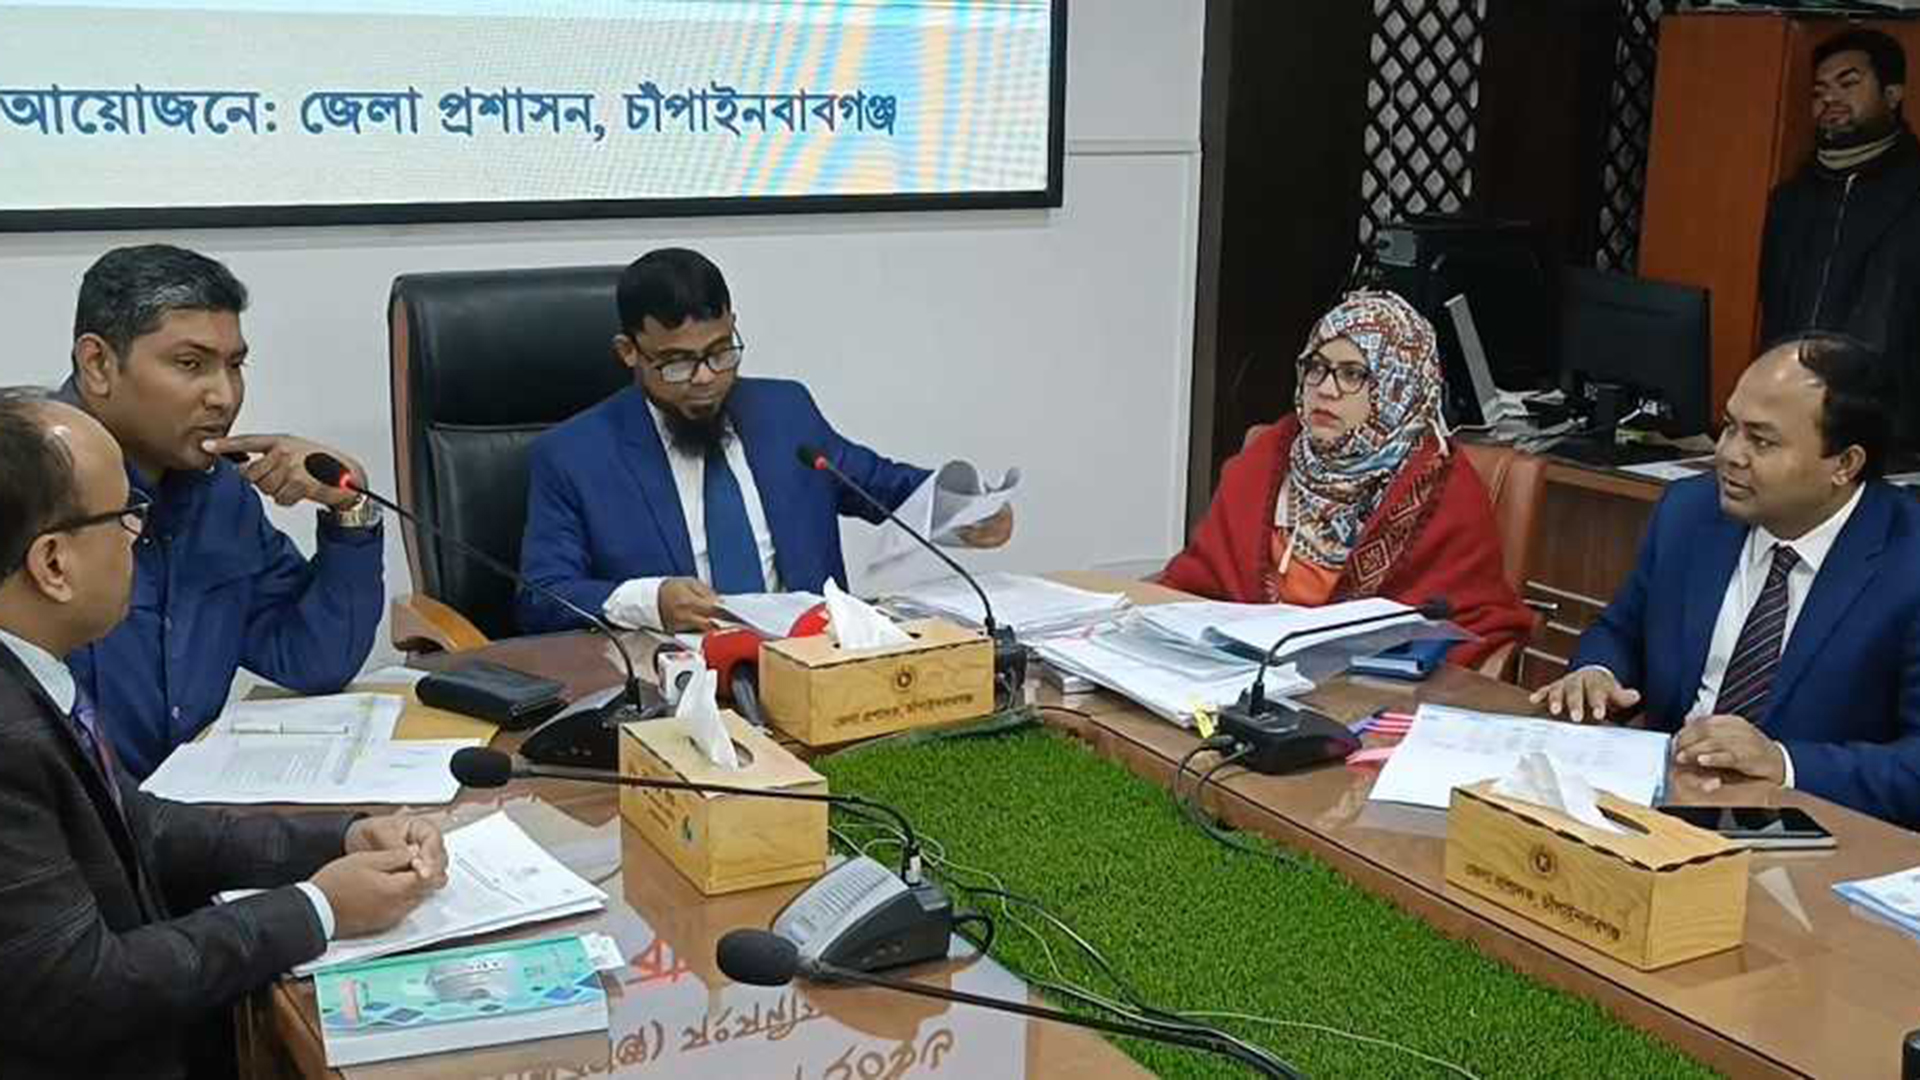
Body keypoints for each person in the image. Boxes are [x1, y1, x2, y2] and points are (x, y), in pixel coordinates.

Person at [0, 391, 446, 1079]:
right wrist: (320, 909)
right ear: (53, 564)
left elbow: (142, 828)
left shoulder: (31, 672)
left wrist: (345, 836)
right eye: (124, 516)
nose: (138, 535)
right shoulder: (8, 738)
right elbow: (83, 991)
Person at [518, 247, 1012, 634]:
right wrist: (650, 601)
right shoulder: (573, 456)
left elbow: (879, 485)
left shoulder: (784, 411)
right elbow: (541, 597)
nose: (705, 377)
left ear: (732, 325)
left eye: (720, 352)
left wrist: (964, 510)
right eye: (678, 362)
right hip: (684, 676)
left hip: (814, 658)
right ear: (629, 352)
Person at [1533, 334, 1920, 828]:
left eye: (1761, 441)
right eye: (1730, 426)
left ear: (1845, 464)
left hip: (1818, 834)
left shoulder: (1906, 563)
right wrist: (1599, 673)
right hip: (1662, 809)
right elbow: (1623, 630)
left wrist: (1783, 762)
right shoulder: (1689, 512)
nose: (1728, 454)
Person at [57, 244, 385, 778]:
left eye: (235, 365)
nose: (224, 396)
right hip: (73, 820)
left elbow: (312, 659)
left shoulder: (221, 493)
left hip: (190, 806)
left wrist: (350, 508)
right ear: (98, 364)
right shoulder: (27, 491)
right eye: (190, 364)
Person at [1159, 291, 1532, 669]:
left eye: (1353, 374)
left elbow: (1473, 627)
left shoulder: (1444, 488)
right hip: (1239, 672)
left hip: (1368, 690)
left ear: (1399, 386)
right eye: (1316, 367)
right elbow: (1196, 583)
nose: (1325, 388)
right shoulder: (1267, 456)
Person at [1759, 29, 1920, 447]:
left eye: (1848, 84)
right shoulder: (1791, 200)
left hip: (1897, 431)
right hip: (1795, 422)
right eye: (1819, 91)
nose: (1830, 99)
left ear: (1892, 94)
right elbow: (1775, 315)